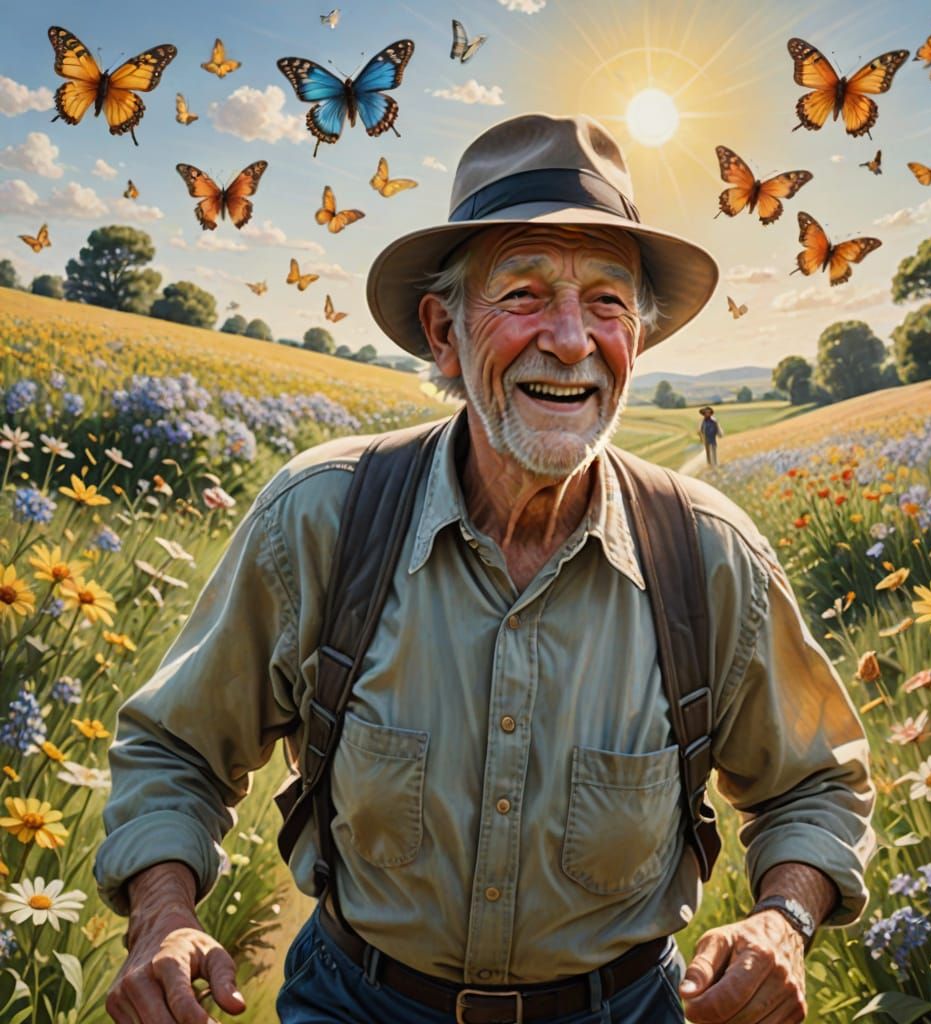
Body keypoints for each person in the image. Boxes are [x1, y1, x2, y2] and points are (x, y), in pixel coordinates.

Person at [97, 112, 874, 1024]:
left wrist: (783, 918)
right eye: (525, 292)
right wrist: (162, 917)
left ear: (638, 340)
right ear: (443, 331)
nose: (572, 338)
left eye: (609, 302)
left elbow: (815, 781)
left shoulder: (707, 555)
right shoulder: (322, 518)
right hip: (356, 1004)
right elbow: (176, 749)